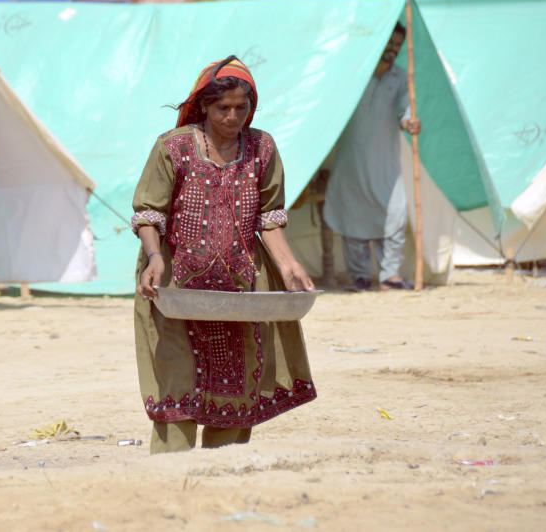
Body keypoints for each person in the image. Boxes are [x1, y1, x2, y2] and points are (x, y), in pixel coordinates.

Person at [131, 55, 317, 454]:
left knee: (236, 385)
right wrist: (154, 257)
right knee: (177, 385)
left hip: (240, 290)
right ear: (203, 107)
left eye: (241, 108)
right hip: (175, 287)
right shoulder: (173, 147)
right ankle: (169, 473)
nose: (232, 117)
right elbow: (149, 213)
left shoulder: (262, 148)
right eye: (222, 108)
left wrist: (288, 265)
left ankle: (221, 474)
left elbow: (270, 218)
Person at [323, 23, 422, 291]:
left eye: (397, 46)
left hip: (385, 163)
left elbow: (406, 111)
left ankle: (391, 275)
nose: (392, 50)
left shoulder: (401, 78)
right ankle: (360, 277)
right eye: (388, 43)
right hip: (350, 163)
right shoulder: (354, 75)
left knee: (395, 214)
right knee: (352, 216)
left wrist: (409, 123)